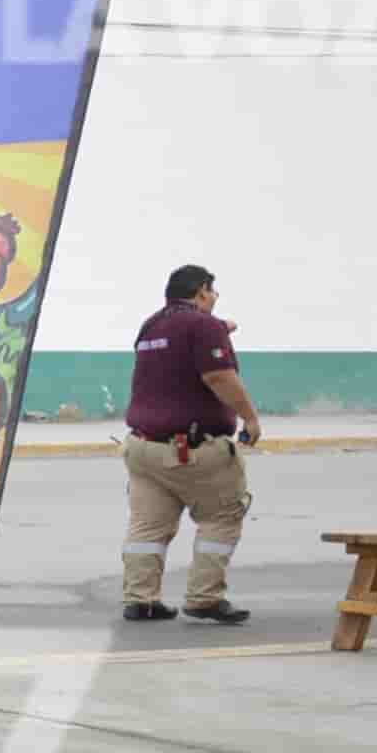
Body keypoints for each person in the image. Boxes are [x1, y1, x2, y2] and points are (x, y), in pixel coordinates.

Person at [120, 264, 259, 625]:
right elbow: (218, 375)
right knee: (222, 516)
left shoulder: (151, 325)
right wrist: (250, 417)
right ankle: (205, 598)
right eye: (212, 293)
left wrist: (218, 330)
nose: (213, 299)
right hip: (193, 448)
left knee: (148, 527)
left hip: (143, 448)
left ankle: (141, 599)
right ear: (201, 291)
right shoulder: (202, 325)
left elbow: (175, 357)